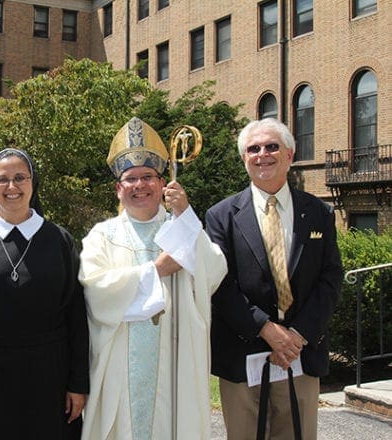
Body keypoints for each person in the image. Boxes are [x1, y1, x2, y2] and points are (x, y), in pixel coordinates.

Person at [79, 117, 227, 440]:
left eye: (148, 177)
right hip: (121, 372)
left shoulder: (180, 228)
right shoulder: (101, 236)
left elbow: (214, 271)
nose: (140, 185)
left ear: (162, 184)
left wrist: (186, 216)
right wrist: (156, 270)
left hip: (175, 373)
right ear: (119, 189)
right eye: (130, 179)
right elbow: (96, 292)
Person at [205, 118, 343, 439]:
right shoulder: (220, 216)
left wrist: (296, 335)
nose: (262, 154)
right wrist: (266, 330)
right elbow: (219, 284)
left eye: (271, 146)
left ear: (290, 155)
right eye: (253, 149)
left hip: (300, 353)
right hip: (243, 357)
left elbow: (330, 277)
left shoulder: (319, 212)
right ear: (244, 158)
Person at [0, 148, 89, 439]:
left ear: (32, 183)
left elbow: (76, 317)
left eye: (20, 178)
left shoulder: (60, 240)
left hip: (48, 376)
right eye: (2, 179)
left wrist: (78, 383)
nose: (11, 187)